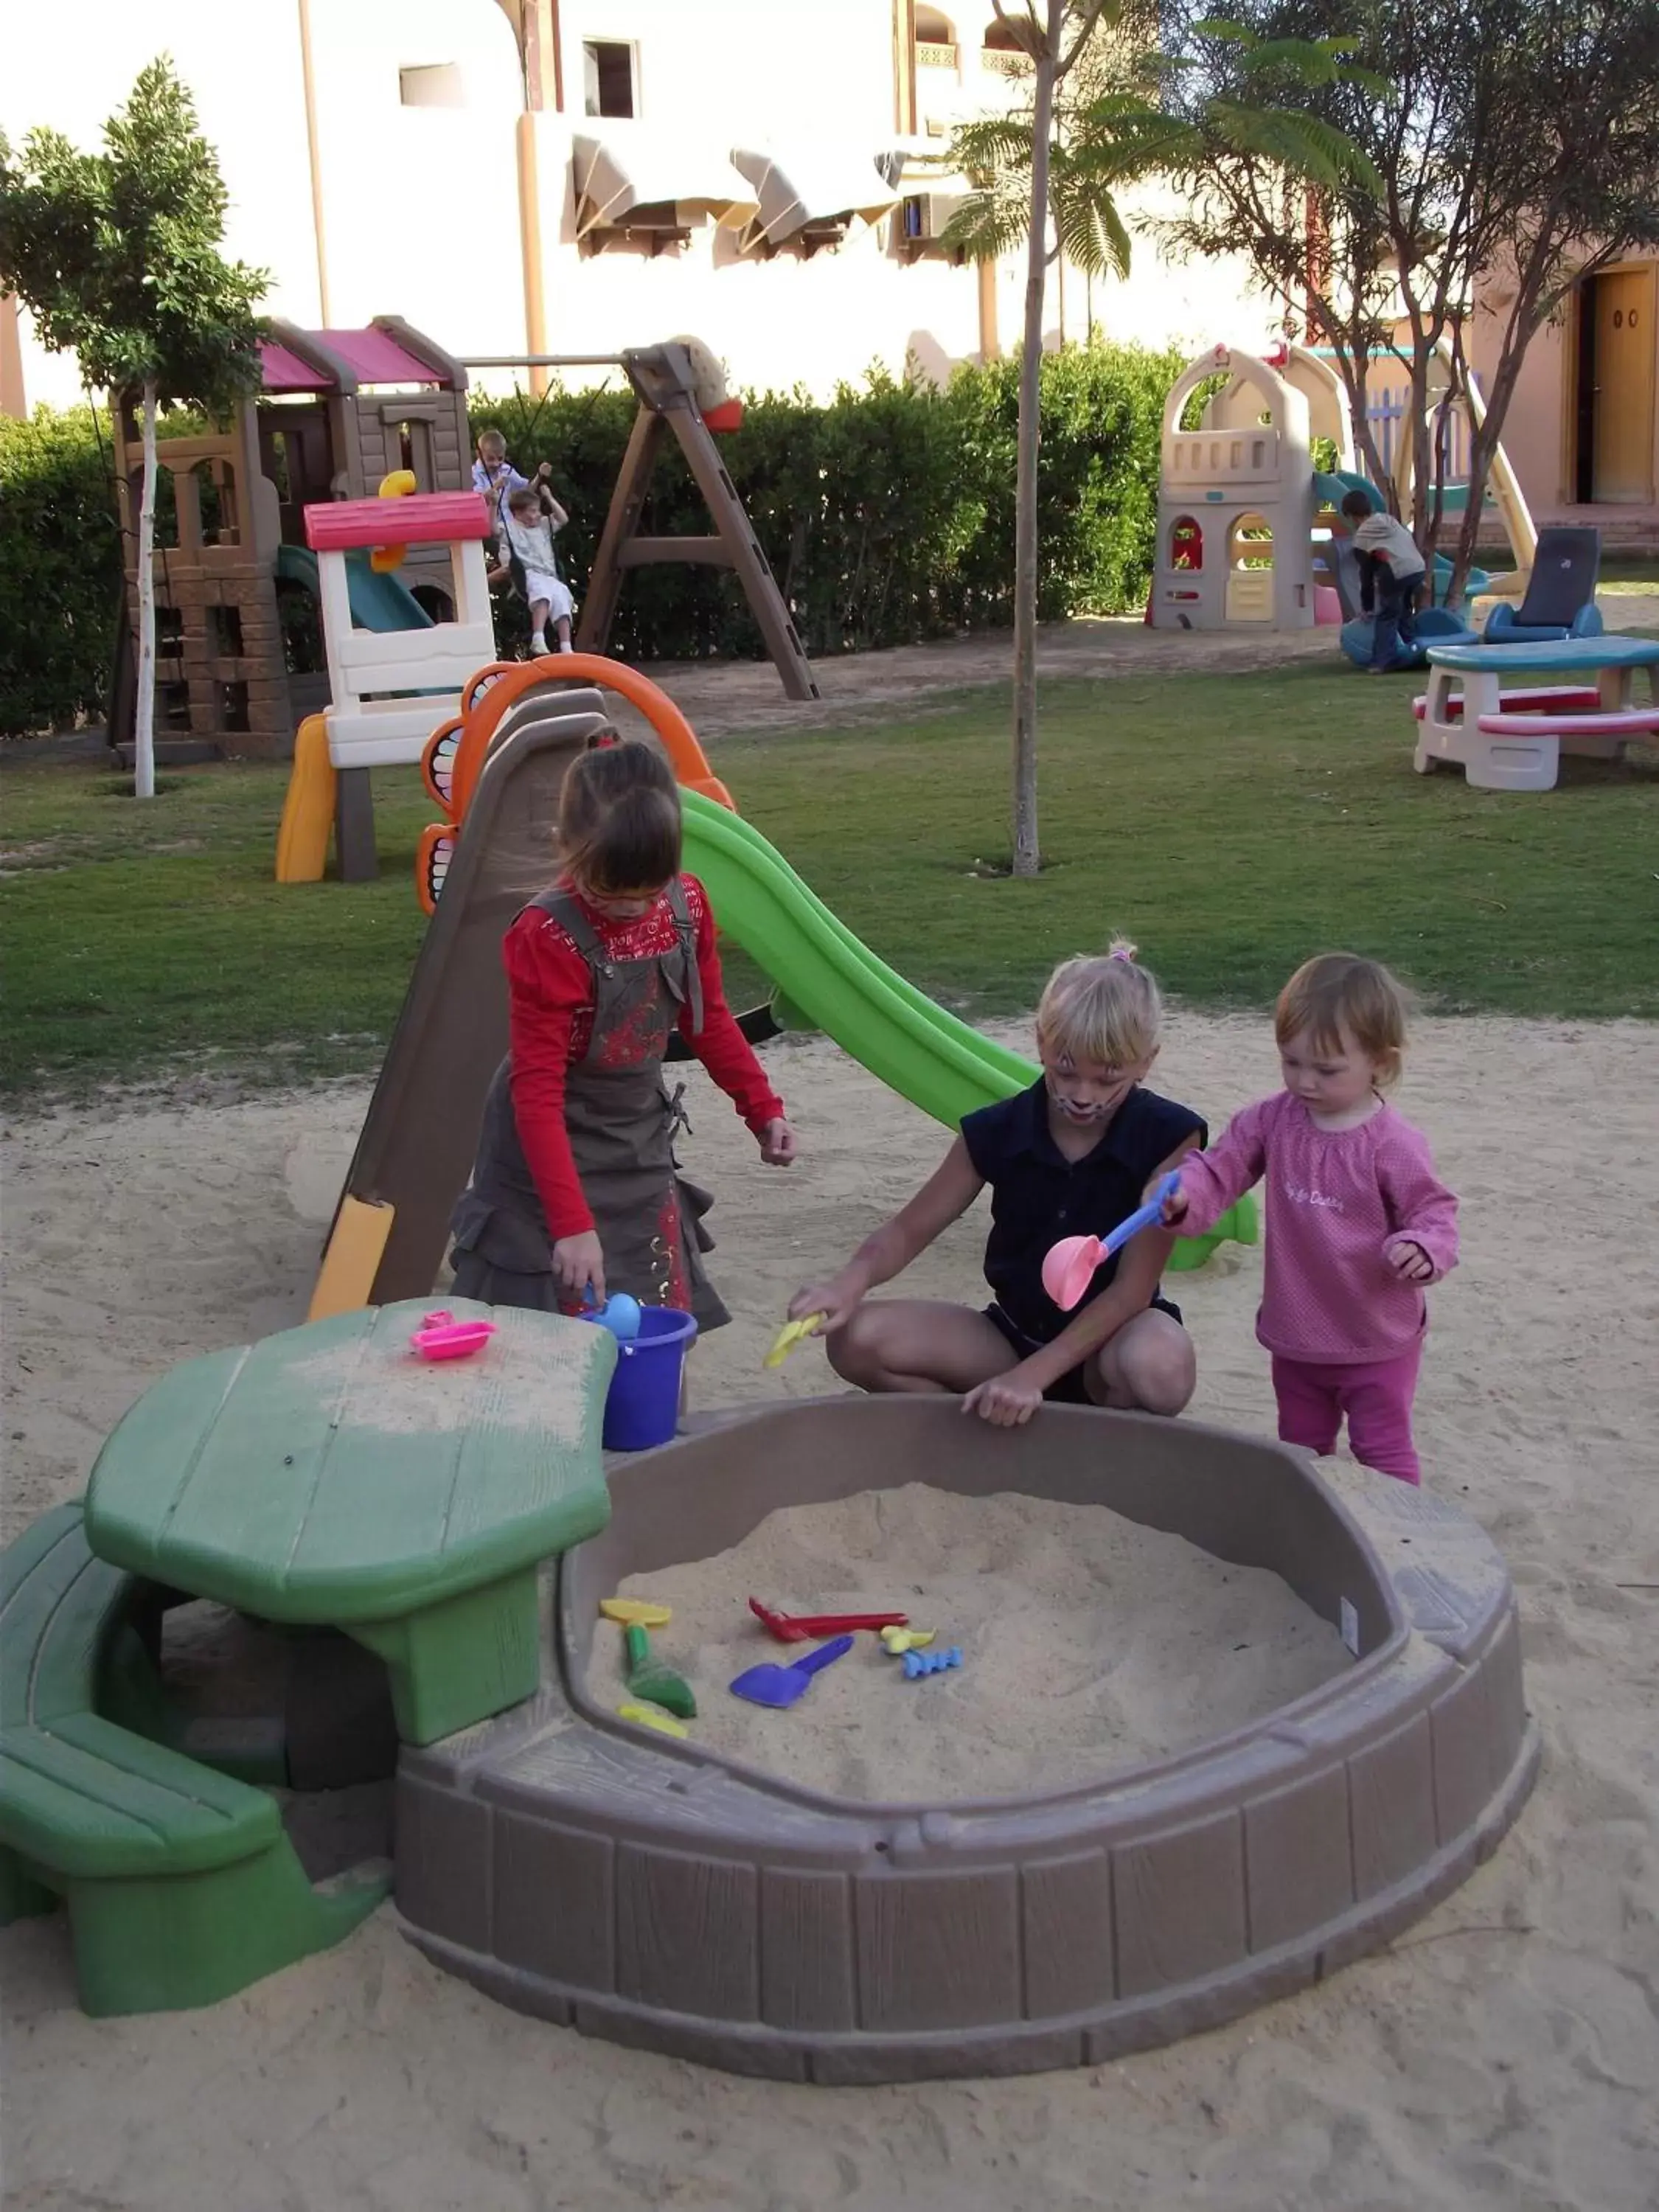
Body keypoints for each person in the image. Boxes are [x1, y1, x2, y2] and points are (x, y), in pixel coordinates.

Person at [450, 737, 797, 1327]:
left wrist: (761, 1109)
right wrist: (571, 1225)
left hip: (635, 1139)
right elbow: (537, 1093)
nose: (634, 908)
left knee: (658, 1324)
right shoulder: (546, 934)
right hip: (548, 1149)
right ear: (569, 850)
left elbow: (707, 1018)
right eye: (609, 892)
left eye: (649, 888)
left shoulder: (686, 906)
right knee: (553, 1334)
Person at [787, 942, 1206, 1427]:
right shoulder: (998, 1130)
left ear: (1145, 1061)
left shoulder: (1171, 1135)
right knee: (855, 1338)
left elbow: (1132, 1292)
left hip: (1109, 1347)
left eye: (1107, 1077)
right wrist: (847, 1284)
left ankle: (1096, 1442)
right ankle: (970, 1435)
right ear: (1041, 1042)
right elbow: (907, 1232)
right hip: (1010, 1338)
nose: (1082, 1095)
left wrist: (1035, 1376)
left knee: (1161, 1367)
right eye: (1066, 1069)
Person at [1158, 953, 1458, 1486]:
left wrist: (1423, 1247)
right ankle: (1311, 1531)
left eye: (1327, 1069)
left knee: (1382, 1452)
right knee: (1302, 1451)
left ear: (1380, 1066)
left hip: (1376, 1338)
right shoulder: (1271, 1121)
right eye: (1291, 1062)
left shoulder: (1391, 1144)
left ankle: (1403, 1541)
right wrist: (1186, 1196)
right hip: (1297, 1333)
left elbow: (1433, 1212)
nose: (1305, 1081)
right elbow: (1220, 1169)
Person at [1340, 492, 1427, 672]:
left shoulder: (1362, 537)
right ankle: (1413, 649)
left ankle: (1382, 662)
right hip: (1418, 568)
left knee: (1387, 616)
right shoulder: (1388, 520)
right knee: (1403, 611)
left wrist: (1367, 608)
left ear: (1351, 516)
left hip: (1397, 572)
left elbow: (1366, 576)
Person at [495, 479, 577, 656]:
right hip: (528, 574)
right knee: (543, 594)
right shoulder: (509, 529)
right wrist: (493, 503)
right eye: (533, 511)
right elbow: (492, 530)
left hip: (549, 575)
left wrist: (549, 497)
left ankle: (566, 647)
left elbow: (563, 519)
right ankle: (538, 639)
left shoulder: (543, 526)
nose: (538, 514)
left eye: (539, 510)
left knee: (562, 596)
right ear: (518, 513)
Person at [471, 428, 528, 543]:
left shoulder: (506, 469)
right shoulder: (474, 473)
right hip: (486, 531)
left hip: (508, 528)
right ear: (479, 454)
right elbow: (478, 501)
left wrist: (540, 476)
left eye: (500, 458)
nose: (496, 463)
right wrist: (496, 486)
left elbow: (526, 488)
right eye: (490, 459)